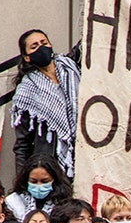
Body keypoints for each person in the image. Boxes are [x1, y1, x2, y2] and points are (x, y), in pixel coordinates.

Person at [12, 29, 80, 178]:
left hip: (85, 155)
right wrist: (22, 183)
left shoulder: (71, 66)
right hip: (53, 168)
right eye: (34, 46)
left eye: (44, 43)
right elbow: (23, 145)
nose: (41, 48)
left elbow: (91, 40)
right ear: (27, 57)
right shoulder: (26, 92)